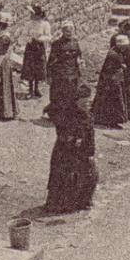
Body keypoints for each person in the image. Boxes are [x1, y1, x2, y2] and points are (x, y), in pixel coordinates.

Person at [43, 84, 99, 213]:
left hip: (83, 151)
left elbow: (90, 136)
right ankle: (62, 205)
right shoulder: (68, 115)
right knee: (66, 176)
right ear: (76, 101)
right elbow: (62, 133)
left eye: (88, 102)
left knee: (89, 173)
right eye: (84, 103)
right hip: (66, 152)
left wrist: (90, 151)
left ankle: (81, 202)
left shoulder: (87, 115)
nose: (88, 105)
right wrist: (73, 138)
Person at [90, 36, 130, 127]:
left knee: (111, 100)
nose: (125, 48)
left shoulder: (117, 52)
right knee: (113, 101)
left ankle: (108, 120)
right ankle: (111, 121)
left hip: (115, 79)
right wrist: (121, 66)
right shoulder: (114, 54)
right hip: (112, 80)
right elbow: (109, 68)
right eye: (124, 46)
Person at [45, 22, 81, 119]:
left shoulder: (75, 42)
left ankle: (69, 115)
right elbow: (51, 60)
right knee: (58, 94)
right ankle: (55, 114)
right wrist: (49, 75)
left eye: (70, 31)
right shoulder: (57, 44)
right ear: (62, 32)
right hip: (60, 73)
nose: (69, 33)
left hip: (73, 72)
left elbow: (78, 55)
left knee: (72, 94)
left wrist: (79, 63)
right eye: (66, 31)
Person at [21, 4, 52, 99]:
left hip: (39, 48)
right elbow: (24, 35)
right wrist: (29, 39)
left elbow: (49, 36)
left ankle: (36, 88)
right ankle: (30, 90)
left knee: (38, 68)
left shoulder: (45, 24)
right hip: (30, 47)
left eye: (32, 13)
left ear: (38, 15)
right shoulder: (28, 24)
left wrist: (40, 38)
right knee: (30, 68)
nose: (30, 15)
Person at [0, 35, 19, 121]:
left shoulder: (6, 59)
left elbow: (5, 72)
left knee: (4, 93)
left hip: (1, 78)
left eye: (1, 47)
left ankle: (6, 112)